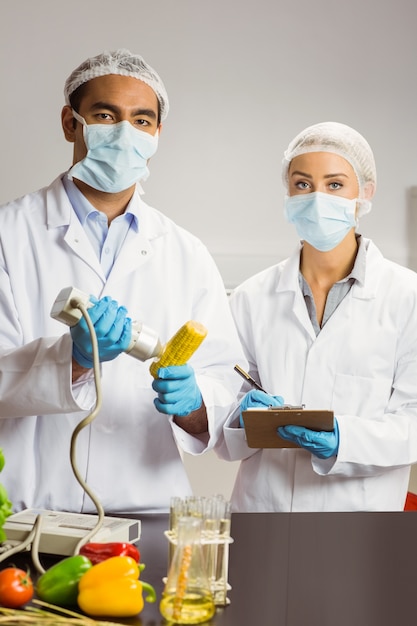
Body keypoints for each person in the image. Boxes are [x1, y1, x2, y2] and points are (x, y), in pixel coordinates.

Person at [0, 49, 246, 514]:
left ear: (157, 134)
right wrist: (69, 360)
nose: (124, 133)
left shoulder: (186, 252)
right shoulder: (8, 236)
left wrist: (194, 403)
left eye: (141, 120)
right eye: (106, 115)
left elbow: (221, 388)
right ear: (70, 124)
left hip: (146, 512)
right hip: (27, 515)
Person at [218, 121, 417, 512]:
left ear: (365, 193)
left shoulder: (407, 297)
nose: (317, 198)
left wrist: (344, 437)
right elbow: (225, 424)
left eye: (335, 184)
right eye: (303, 184)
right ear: (288, 193)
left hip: (359, 522)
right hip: (262, 512)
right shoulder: (250, 298)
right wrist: (239, 417)